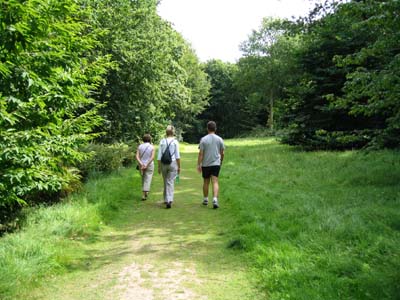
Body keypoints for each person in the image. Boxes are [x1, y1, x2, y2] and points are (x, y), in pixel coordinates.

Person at [197, 121, 225, 209]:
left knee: (206, 182)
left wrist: (199, 164)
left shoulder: (203, 139)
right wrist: (221, 161)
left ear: (207, 128)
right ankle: (215, 199)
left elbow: (201, 153)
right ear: (215, 128)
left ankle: (205, 199)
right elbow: (222, 152)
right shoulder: (220, 139)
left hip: (206, 164)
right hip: (216, 163)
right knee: (215, 181)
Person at [157, 125, 181, 209]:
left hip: (163, 164)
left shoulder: (162, 141)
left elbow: (159, 155)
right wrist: (179, 166)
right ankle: (169, 200)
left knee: (165, 181)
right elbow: (177, 155)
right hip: (173, 163)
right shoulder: (175, 142)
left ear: (166, 132)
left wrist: (159, 167)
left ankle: (165, 198)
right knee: (170, 181)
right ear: (173, 132)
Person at [136, 134, 155, 201]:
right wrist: (146, 164)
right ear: (150, 139)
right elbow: (152, 157)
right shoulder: (152, 147)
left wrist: (141, 164)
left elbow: (137, 157)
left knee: (143, 178)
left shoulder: (140, 146)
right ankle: (144, 194)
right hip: (149, 164)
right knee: (148, 178)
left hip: (141, 165)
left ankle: (145, 192)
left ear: (143, 139)